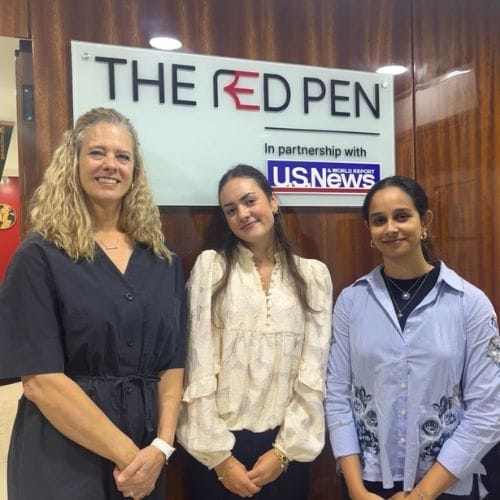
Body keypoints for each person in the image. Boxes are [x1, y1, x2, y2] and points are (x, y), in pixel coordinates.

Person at [0, 107, 186, 500]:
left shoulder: (162, 259)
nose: (110, 165)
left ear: (135, 171)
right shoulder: (39, 256)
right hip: (63, 456)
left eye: (122, 156)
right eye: (97, 153)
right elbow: (41, 382)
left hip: (146, 454)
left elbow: (172, 363)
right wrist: (130, 459)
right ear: (74, 162)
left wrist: (161, 447)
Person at [325, 175, 500, 500]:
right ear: (369, 231)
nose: (390, 228)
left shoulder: (470, 304)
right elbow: (336, 396)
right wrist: (356, 489)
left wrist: (421, 495)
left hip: (448, 482)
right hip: (368, 483)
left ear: (425, 221)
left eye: (402, 216)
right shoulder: (351, 302)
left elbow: (489, 410)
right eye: (379, 220)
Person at [176, 164, 333, 499]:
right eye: (230, 210)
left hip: (285, 452)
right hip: (216, 451)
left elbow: (313, 370)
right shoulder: (211, 267)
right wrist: (219, 459)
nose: (242, 214)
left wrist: (284, 452)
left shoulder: (313, 276)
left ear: (273, 201)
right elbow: (196, 363)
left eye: (250, 201)